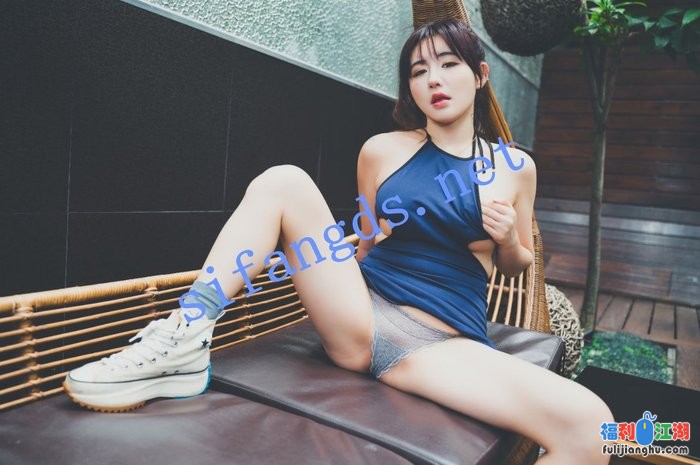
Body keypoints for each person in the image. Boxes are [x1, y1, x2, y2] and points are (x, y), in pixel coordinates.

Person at [64, 18, 614, 465]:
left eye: (449, 64)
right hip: (362, 313)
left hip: (439, 343)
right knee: (285, 181)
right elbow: (368, 241)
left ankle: (650, 438)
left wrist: (507, 238)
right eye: (419, 70)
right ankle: (185, 334)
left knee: (597, 428)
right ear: (410, 87)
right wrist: (333, 260)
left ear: (480, 74)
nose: (434, 79)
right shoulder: (382, 150)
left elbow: (517, 264)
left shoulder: (515, 167)